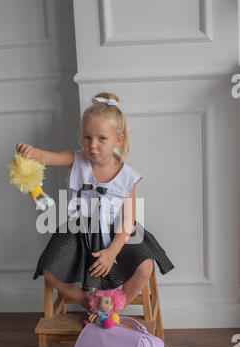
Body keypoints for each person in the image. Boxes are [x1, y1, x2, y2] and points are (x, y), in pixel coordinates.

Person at [16, 92, 174, 312]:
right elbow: (46, 157)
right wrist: (31, 152)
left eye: (102, 138)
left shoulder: (127, 176)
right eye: (87, 137)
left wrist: (112, 252)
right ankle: (88, 303)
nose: (93, 145)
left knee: (145, 266)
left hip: (117, 232)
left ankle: (115, 307)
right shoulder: (76, 160)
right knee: (49, 269)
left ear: (118, 140)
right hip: (80, 230)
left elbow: (127, 221)